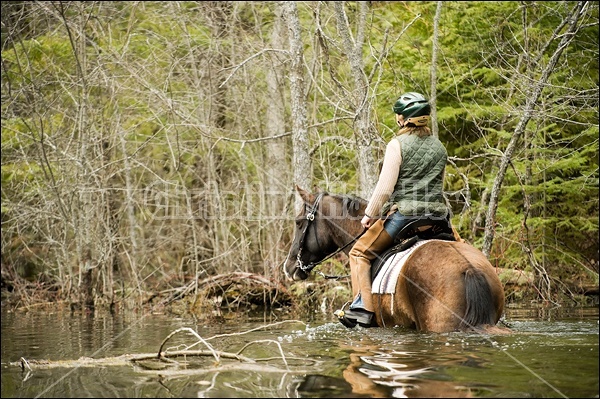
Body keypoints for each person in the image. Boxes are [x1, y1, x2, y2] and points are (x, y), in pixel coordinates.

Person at [334, 91, 455, 328]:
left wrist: (369, 215)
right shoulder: (439, 147)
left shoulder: (396, 145)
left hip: (407, 217)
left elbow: (385, 187)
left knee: (359, 253)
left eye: (398, 115)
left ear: (402, 119)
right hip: (439, 217)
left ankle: (362, 311)